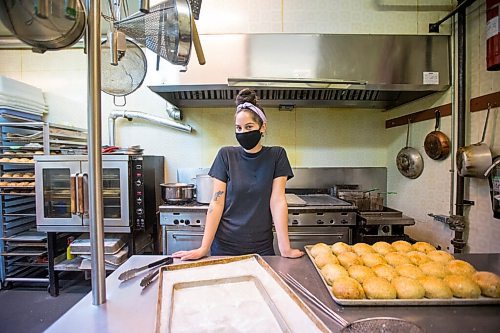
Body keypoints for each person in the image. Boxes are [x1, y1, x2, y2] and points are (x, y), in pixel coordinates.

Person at [172, 88, 304, 260]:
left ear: (262, 127)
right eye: (238, 128)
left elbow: (278, 201)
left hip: (261, 248)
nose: (243, 133)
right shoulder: (225, 155)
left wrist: (285, 248)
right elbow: (216, 203)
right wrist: (203, 248)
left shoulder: (276, 155)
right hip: (225, 247)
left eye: (249, 127)